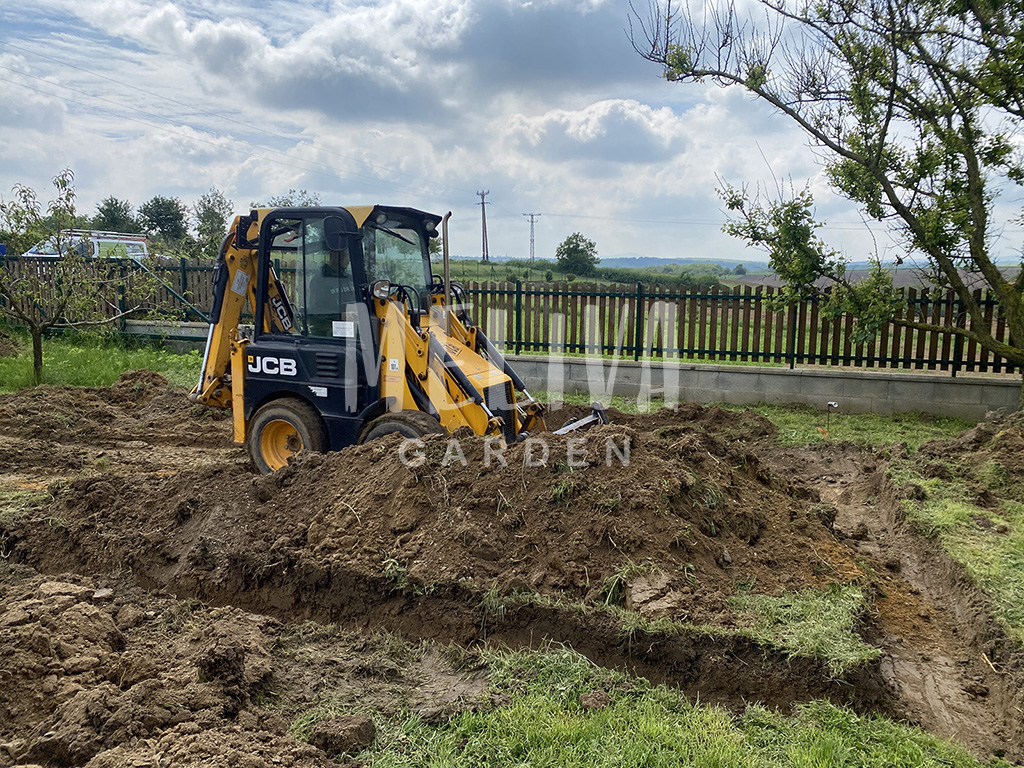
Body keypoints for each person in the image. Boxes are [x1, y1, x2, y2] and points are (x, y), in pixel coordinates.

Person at [305, 246, 355, 335]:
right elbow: (317, 313)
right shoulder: (320, 280)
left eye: (348, 256)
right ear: (333, 254)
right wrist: (340, 316)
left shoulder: (350, 279)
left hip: (352, 329)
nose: (348, 259)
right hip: (329, 333)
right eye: (345, 255)